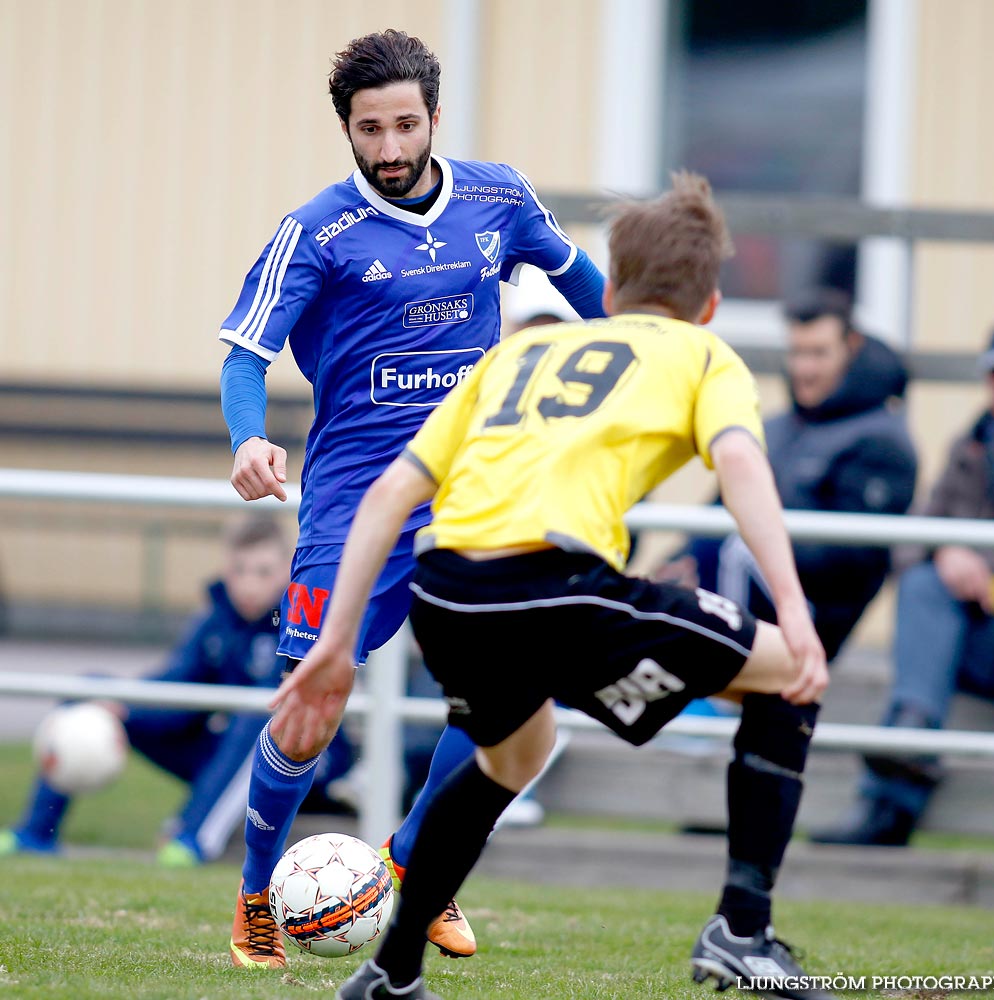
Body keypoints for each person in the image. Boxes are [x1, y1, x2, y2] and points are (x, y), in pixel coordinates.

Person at [273, 172, 836, 1000]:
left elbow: (393, 491)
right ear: (709, 304)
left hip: (448, 594)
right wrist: (793, 608)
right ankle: (741, 933)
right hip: (554, 586)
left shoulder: (520, 350)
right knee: (787, 670)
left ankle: (389, 975)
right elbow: (743, 464)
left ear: (607, 291)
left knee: (516, 754)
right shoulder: (702, 353)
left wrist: (332, 645)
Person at [218, 28, 605, 968]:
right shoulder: (317, 231)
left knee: (512, 699)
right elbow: (244, 353)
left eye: (404, 126)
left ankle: (420, 871)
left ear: (435, 117)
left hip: (476, 486)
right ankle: (255, 897)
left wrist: (643, 340)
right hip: (356, 495)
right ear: (345, 132)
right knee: (314, 697)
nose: (389, 150)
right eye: (368, 131)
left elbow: (579, 281)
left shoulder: (496, 195)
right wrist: (248, 439)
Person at [0, 513, 348, 865]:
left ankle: (192, 838)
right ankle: (36, 832)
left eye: (262, 571)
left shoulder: (296, 620)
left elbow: (279, 707)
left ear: (286, 570)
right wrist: (123, 705)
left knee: (258, 715)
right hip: (225, 754)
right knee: (90, 691)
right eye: (238, 570)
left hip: (305, 759)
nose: (248, 584)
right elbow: (177, 687)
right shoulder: (217, 620)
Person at [813, 316, 994, 847]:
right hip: (979, 635)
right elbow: (911, 539)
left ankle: (888, 799)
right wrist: (947, 553)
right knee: (925, 588)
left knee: (928, 602)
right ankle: (908, 736)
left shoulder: (978, 446)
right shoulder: (972, 445)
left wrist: (981, 569)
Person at [658, 287, 918, 662]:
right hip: (748, 590)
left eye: (818, 353)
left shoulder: (881, 440)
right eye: (797, 352)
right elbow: (718, 507)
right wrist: (677, 562)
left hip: (810, 616)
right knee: (663, 580)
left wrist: (759, 533)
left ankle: (721, 679)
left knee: (727, 548)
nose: (804, 369)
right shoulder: (777, 427)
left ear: (852, 346)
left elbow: (849, 559)